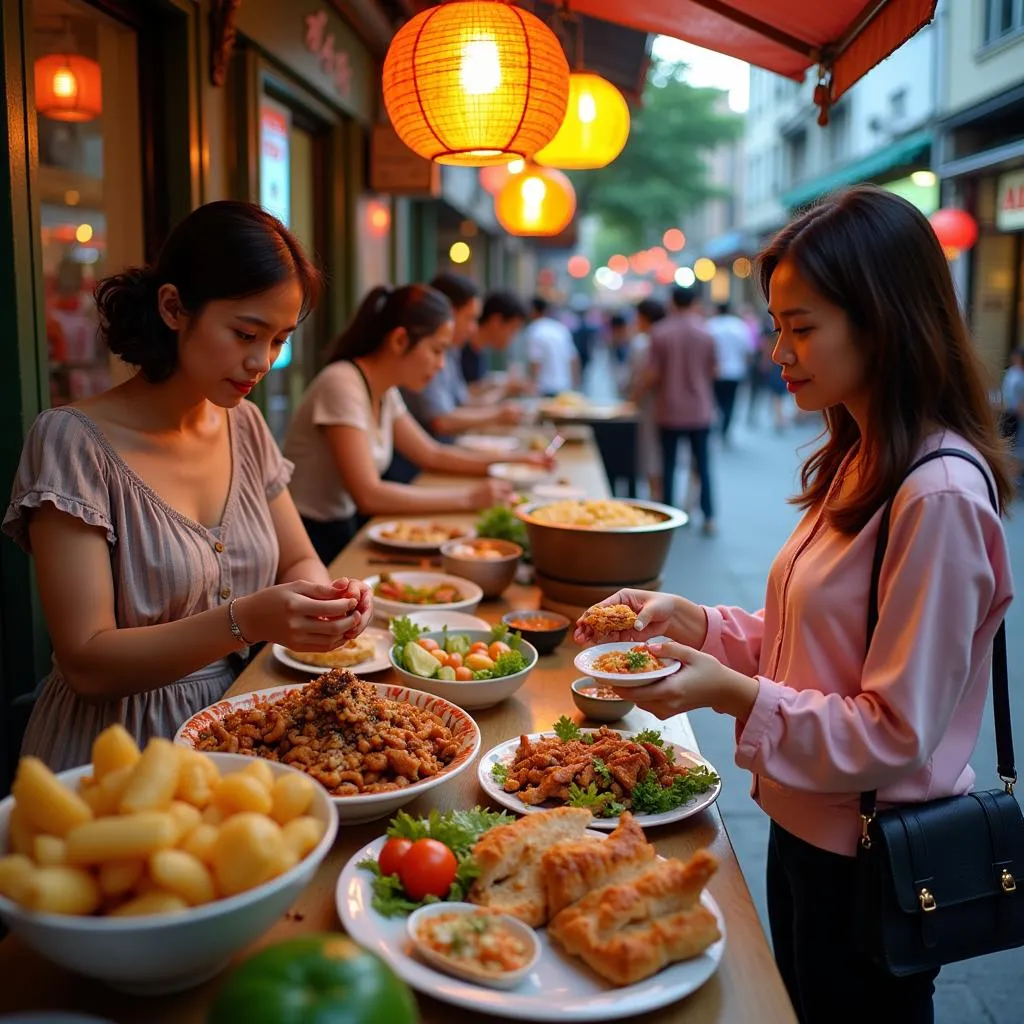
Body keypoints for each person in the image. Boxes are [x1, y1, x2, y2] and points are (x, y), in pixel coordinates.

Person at [575, 185, 1014, 1024]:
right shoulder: (860, 453)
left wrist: (728, 690)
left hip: (870, 858)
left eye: (801, 327)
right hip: (807, 829)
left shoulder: (940, 494)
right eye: (777, 325)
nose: (778, 351)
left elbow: (895, 731)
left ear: (882, 321)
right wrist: (693, 623)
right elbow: (817, 637)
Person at [3, 201, 373, 770]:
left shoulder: (243, 424)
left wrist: (323, 602)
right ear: (174, 307)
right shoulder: (72, 443)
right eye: (246, 332)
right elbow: (87, 662)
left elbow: (299, 557)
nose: (262, 361)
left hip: (244, 730)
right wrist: (246, 621)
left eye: (278, 340)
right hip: (116, 754)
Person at [284, 285, 551, 564]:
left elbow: (430, 453)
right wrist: (470, 498)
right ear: (400, 340)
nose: (440, 366)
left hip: (342, 528)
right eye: (436, 350)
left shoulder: (384, 390)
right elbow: (369, 495)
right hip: (309, 539)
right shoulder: (341, 383)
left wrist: (517, 460)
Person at [401, 273, 524, 441]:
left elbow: (461, 400)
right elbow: (440, 421)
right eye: (470, 318)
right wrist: (497, 412)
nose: (474, 329)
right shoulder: (420, 352)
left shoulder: (452, 350)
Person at [644, 285, 717, 534]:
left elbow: (652, 374)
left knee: (669, 463)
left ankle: (668, 515)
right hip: (700, 409)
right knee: (703, 464)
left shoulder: (660, 332)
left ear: (672, 302)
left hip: (669, 408)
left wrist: (635, 395)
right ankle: (709, 516)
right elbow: (714, 371)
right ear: (694, 302)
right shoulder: (706, 331)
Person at [628, 298, 666, 500]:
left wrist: (631, 399)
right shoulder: (665, 337)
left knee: (651, 454)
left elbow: (644, 377)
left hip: (649, 406)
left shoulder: (644, 342)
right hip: (669, 406)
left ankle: (656, 498)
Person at [460, 290, 529, 393]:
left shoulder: (481, 351)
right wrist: (504, 389)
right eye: (512, 330)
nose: (512, 338)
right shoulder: (459, 349)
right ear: (496, 321)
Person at [706, 301, 752, 443]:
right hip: (735, 371)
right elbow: (748, 350)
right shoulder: (739, 326)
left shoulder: (711, 326)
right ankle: (725, 428)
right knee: (730, 402)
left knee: (716, 401)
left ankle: (718, 424)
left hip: (716, 371)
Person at [524, 296, 580, 397]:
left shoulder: (535, 330)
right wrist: (575, 385)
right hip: (565, 386)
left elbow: (535, 362)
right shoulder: (560, 328)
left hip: (545, 389)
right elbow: (573, 359)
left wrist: (532, 389)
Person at [1000, 347, 1024, 486]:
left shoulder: (1020, 374)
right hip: (1010, 411)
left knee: (1016, 444)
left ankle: (1015, 474)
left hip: (1016, 412)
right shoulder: (1012, 373)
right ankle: (1008, 473)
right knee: (1008, 441)